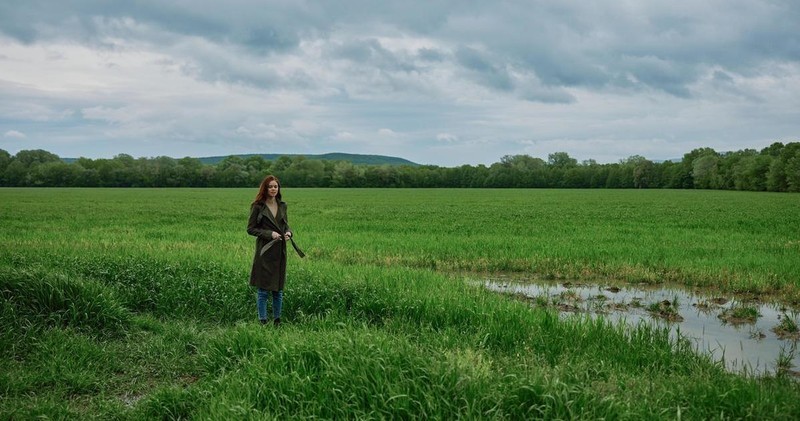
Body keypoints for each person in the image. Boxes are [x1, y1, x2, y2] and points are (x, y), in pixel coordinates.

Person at [247, 175, 304, 326]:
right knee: (263, 290)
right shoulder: (257, 206)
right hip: (265, 252)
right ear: (264, 188)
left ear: (278, 189)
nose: (273, 189)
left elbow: (286, 225)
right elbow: (251, 229)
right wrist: (269, 234)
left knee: (278, 290)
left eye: (275, 186)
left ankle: (277, 321)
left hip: (280, 251)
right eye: (270, 186)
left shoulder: (283, 205)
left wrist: (289, 233)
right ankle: (263, 321)